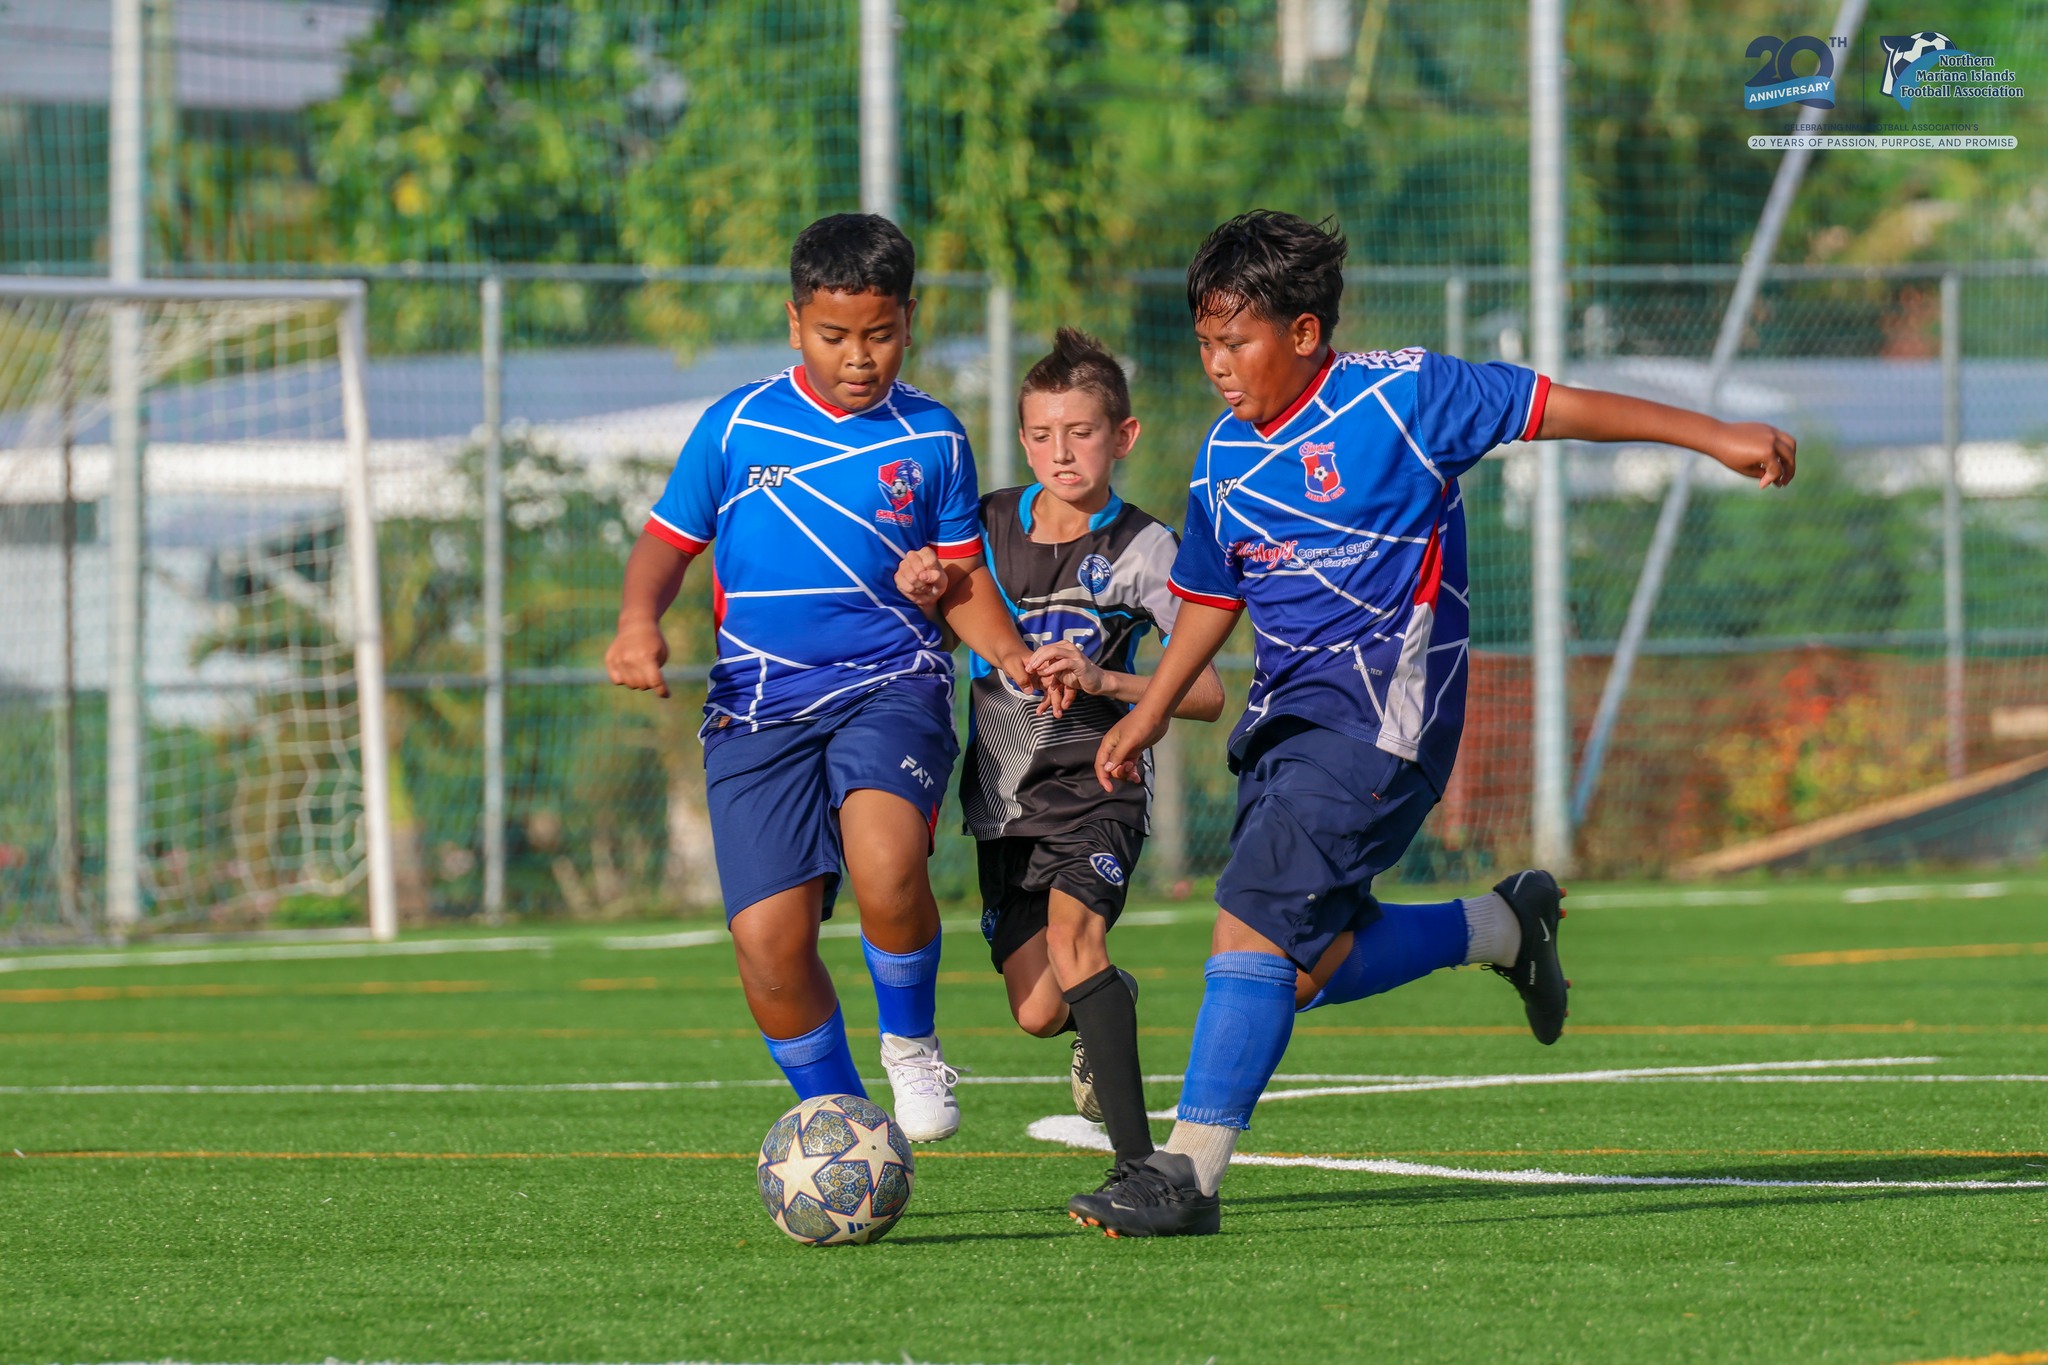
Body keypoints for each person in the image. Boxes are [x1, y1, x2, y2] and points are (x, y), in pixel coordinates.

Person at [1068, 210, 1798, 1236]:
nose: (1218, 366)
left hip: (1381, 723)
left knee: (1251, 920)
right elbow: (1209, 595)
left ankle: (1184, 1178)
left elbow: (1557, 406)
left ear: (1306, 333)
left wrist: (1710, 435)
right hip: (1284, 730)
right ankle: (1504, 927)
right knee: (1300, 966)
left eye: (1236, 343)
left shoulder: (1403, 396)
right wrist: (1146, 711)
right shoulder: (1224, 454)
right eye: (1204, 343)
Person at [604, 212, 1053, 1143]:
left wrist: (1005, 649)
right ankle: (844, 1121)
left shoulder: (933, 438)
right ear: (794, 321)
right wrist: (638, 621)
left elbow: (961, 576)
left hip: (892, 683)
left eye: (880, 334)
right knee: (769, 945)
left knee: (888, 865)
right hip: (758, 708)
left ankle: (913, 1046)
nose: (860, 356)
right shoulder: (733, 426)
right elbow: (666, 541)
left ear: (910, 321)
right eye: (835, 335)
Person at [895, 328, 1225, 1186]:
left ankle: (1140, 1167)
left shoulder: (1151, 549)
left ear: (1124, 436)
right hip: (1003, 801)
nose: (1060, 452)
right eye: (1040, 434)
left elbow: (1207, 694)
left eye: (1080, 432)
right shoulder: (984, 525)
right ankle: (1102, 1015)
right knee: (1041, 1009)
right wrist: (922, 587)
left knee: (1078, 947)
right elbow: (939, 615)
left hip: (1098, 785)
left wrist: (1107, 677)